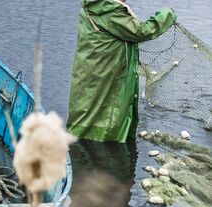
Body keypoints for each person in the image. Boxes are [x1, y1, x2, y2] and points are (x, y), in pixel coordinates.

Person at [66, 0, 177, 143]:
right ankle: (99, 143)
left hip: (90, 70)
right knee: (102, 111)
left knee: (88, 107)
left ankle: (81, 140)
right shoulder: (110, 12)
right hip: (104, 73)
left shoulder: (93, 5)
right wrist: (167, 14)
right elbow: (141, 31)